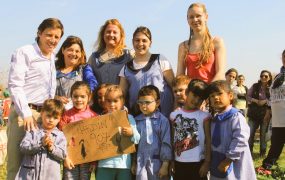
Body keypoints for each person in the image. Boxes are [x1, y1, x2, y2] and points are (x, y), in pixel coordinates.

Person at [7, 18, 64, 180]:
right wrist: (25, 113)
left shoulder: (52, 57)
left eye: (56, 37)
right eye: (49, 35)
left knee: (39, 165)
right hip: (24, 114)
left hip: (44, 115)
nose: (53, 40)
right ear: (39, 33)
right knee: (17, 165)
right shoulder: (25, 52)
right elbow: (15, 85)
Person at [119, 26, 174, 117]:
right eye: (137, 40)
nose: (140, 43)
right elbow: (121, 94)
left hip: (162, 116)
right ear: (133, 42)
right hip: (138, 118)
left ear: (150, 43)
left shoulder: (160, 60)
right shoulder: (126, 68)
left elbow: (173, 86)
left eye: (144, 40)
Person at [207, 80, 256, 179]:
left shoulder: (236, 117)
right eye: (212, 96)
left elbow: (240, 139)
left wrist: (228, 160)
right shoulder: (214, 119)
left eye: (219, 94)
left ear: (230, 96)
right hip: (217, 159)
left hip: (233, 160)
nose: (215, 97)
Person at [96, 85, 140, 180]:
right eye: (109, 101)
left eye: (115, 101)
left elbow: (137, 139)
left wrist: (131, 132)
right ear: (104, 101)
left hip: (123, 165)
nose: (112, 104)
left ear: (122, 101)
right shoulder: (100, 119)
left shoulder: (129, 118)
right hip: (104, 164)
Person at [15, 99, 66, 180]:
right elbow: (23, 147)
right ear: (42, 113)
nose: (51, 120)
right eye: (48, 116)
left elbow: (63, 155)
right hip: (29, 176)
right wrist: (40, 143)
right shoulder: (33, 131)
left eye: (55, 118)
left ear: (60, 119)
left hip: (50, 176)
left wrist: (52, 148)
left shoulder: (60, 135)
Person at [170, 79, 211, 180]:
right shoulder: (174, 115)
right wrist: (172, 161)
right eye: (195, 96)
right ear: (187, 92)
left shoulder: (205, 116)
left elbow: (208, 140)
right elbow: (172, 139)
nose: (197, 101)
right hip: (179, 163)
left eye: (200, 99)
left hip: (198, 163)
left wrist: (207, 162)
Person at [176, 3, 225, 83]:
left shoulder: (217, 42)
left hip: (212, 92)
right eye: (191, 17)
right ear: (187, 20)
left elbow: (220, 74)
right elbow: (180, 75)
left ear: (206, 17)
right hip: (191, 93)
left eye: (198, 16)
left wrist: (207, 91)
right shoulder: (183, 46)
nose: (195, 19)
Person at [58, 81, 97, 179]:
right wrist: (65, 157)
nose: (79, 99)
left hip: (87, 159)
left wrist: (94, 162)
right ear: (71, 97)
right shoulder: (66, 115)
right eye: (75, 96)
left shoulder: (93, 116)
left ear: (89, 97)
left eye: (82, 96)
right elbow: (60, 137)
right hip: (70, 157)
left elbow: (96, 141)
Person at [133, 85, 172, 180]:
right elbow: (133, 145)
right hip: (140, 161)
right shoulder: (136, 121)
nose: (143, 106)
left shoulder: (163, 121)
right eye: (140, 102)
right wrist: (133, 162)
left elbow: (166, 143)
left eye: (147, 102)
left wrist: (165, 165)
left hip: (157, 161)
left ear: (157, 102)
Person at [257, 50, 285, 175]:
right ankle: (267, 166)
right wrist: (268, 112)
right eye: (284, 57)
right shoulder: (278, 76)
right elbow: (272, 96)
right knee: (276, 144)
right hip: (278, 119)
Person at [55, 36, 98, 109]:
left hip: (77, 112)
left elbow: (92, 83)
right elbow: (43, 89)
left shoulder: (84, 68)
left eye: (77, 51)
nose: (73, 54)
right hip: (55, 113)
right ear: (63, 50)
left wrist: (82, 97)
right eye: (70, 50)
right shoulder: (53, 68)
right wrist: (55, 97)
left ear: (81, 53)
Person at [88, 19, 133, 85]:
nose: (111, 35)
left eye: (115, 32)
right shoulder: (94, 58)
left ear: (121, 35)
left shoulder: (128, 56)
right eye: (108, 32)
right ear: (103, 35)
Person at [247, 70, 272, 157]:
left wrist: (265, 101)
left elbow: (274, 99)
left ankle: (262, 153)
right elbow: (247, 96)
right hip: (253, 113)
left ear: (269, 77)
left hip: (266, 114)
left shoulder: (272, 87)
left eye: (266, 76)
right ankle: (248, 152)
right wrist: (256, 100)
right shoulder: (255, 86)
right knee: (249, 134)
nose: (263, 78)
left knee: (263, 135)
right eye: (262, 76)